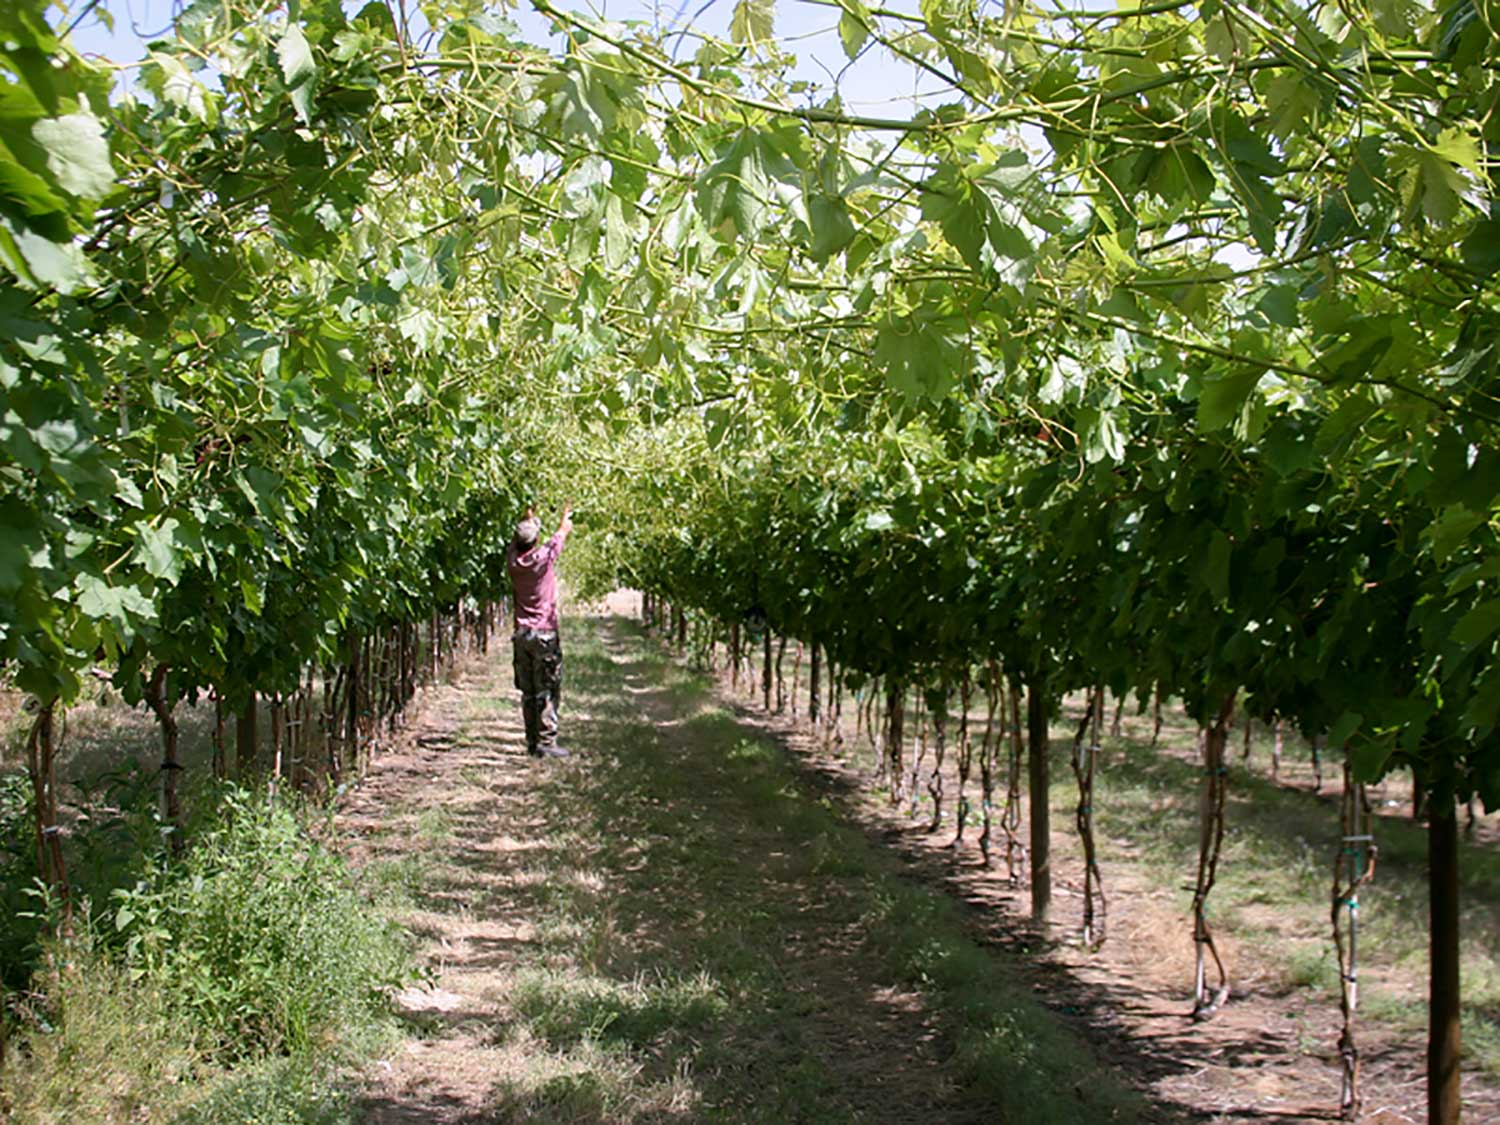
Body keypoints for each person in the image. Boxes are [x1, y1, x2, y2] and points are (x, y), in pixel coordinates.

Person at [507, 503, 573, 758]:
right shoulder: (543, 559)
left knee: (529, 691)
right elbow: (561, 533)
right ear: (534, 540)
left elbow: (522, 539)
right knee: (547, 688)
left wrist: (527, 515)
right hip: (544, 634)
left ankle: (532, 742)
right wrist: (565, 517)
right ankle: (547, 742)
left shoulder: (513, 561)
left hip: (522, 635)